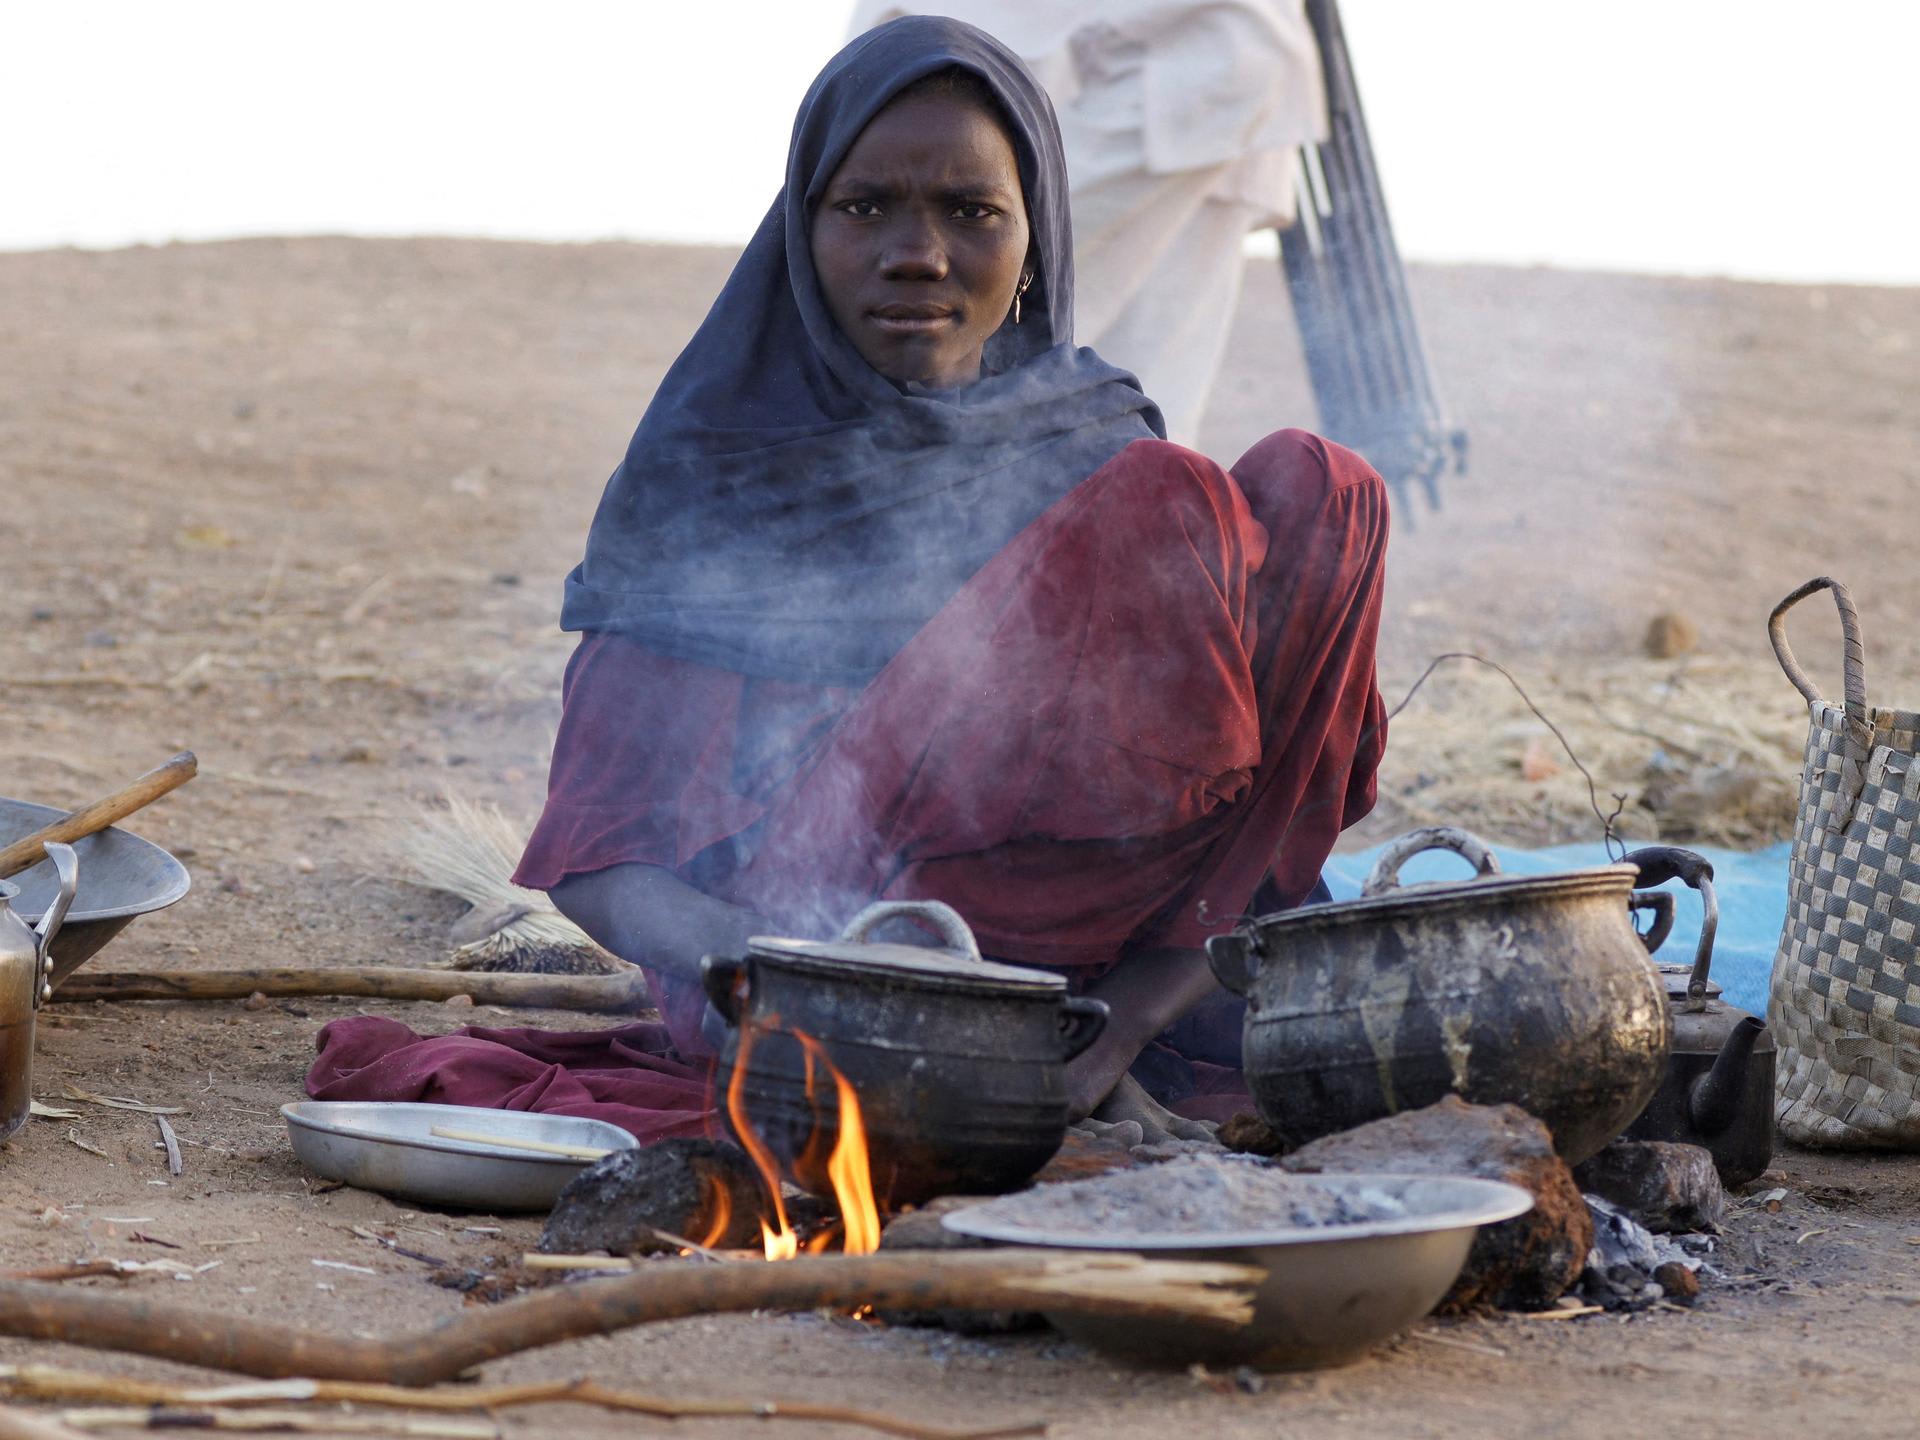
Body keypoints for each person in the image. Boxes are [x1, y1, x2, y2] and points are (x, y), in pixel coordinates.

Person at [308, 16, 1386, 1142]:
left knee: (1322, 487)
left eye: (971, 212)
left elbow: (1240, 790)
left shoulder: (1089, 434)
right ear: (801, 230)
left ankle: (1122, 1024)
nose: (917, 253)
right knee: (1164, 496)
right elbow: (601, 864)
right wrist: (799, 976)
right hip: (823, 969)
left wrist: (1123, 1017)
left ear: (1038, 241)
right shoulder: (722, 463)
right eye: (865, 207)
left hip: (1120, 977)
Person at [847, 1, 1326, 447]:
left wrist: (1115, 26)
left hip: (1178, 77)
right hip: (1182, 84)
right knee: (1135, 373)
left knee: (1010, 319)